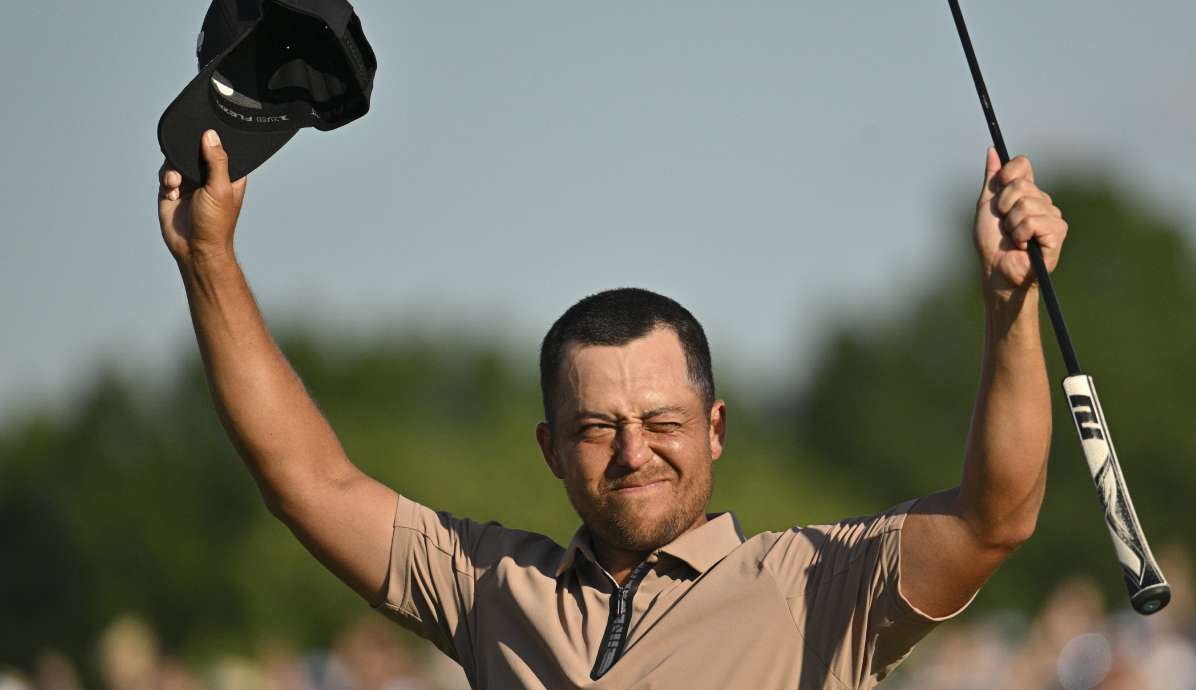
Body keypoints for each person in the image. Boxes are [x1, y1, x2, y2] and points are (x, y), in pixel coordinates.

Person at [156, 129, 1068, 689]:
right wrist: (210, 262)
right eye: (599, 428)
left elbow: (995, 516)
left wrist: (1009, 307)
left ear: (715, 428)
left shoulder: (817, 585)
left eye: (664, 422)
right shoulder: (492, 590)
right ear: (551, 448)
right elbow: (306, 482)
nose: (635, 452)